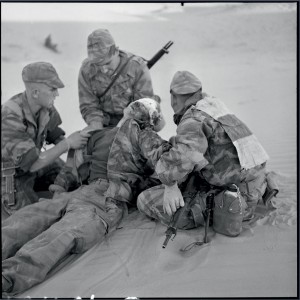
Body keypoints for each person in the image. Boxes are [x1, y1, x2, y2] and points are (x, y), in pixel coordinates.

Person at [2, 98, 170, 296]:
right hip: (103, 200)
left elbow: (74, 163)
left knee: (28, 222)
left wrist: (60, 188)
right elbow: (167, 166)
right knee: (55, 234)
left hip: (87, 193)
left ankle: (7, 278)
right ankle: (8, 278)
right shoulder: (144, 138)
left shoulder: (100, 135)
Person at [137, 70, 272, 230]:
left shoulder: (193, 119)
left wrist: (170, 184)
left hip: (237, 199)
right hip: (256, 182)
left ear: (173, 98)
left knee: (144, 200)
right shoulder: (212, 104)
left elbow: (184, 156)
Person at [1, 62, 90, 216]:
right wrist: (68, 143)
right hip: (13, 174)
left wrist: (78, 148)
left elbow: (55, 134)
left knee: (73, 176)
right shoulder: (10, 116)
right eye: (52, 89)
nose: (57, 94)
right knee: (29, 220)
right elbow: (33, 164)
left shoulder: (45, 105)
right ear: (35, 92)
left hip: (35, 162)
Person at [78, 28, 156, 129]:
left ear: (116, 51)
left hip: (134, 122)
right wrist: (95, 124)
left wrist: (127, 126)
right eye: (98, 65)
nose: (104, 69)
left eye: (107, 63)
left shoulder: (136, 66)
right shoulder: (87, 70)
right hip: (104, 124)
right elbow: (88, 105)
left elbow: (144, 104)